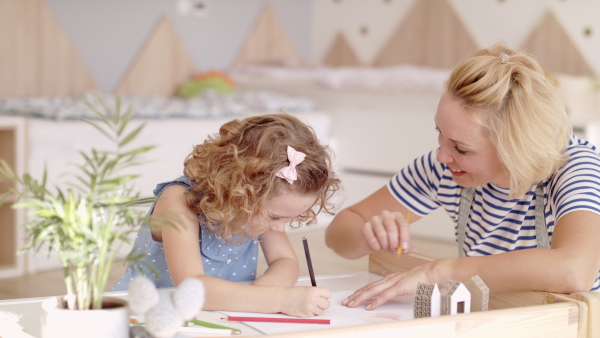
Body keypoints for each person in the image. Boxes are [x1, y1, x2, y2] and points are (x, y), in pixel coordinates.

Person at [325, 43, 600, 310]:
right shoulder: (444, 168)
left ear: (515, 148)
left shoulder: (576, 168)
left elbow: (575, 271)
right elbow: (339, 232)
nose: (441, 156)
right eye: (439, 133)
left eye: (461, 148)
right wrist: (367, 235)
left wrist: (443, 271)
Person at [112, 113, 340, 317]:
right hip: (148, 315)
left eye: (288, 219)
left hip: (217, 316)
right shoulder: (178, 200)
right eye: (275, 217)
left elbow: (285, 261)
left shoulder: (261, 210)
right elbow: (190, 287)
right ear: (240, 193)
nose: (279, 228)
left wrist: (265, 290)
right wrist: (278, 299)